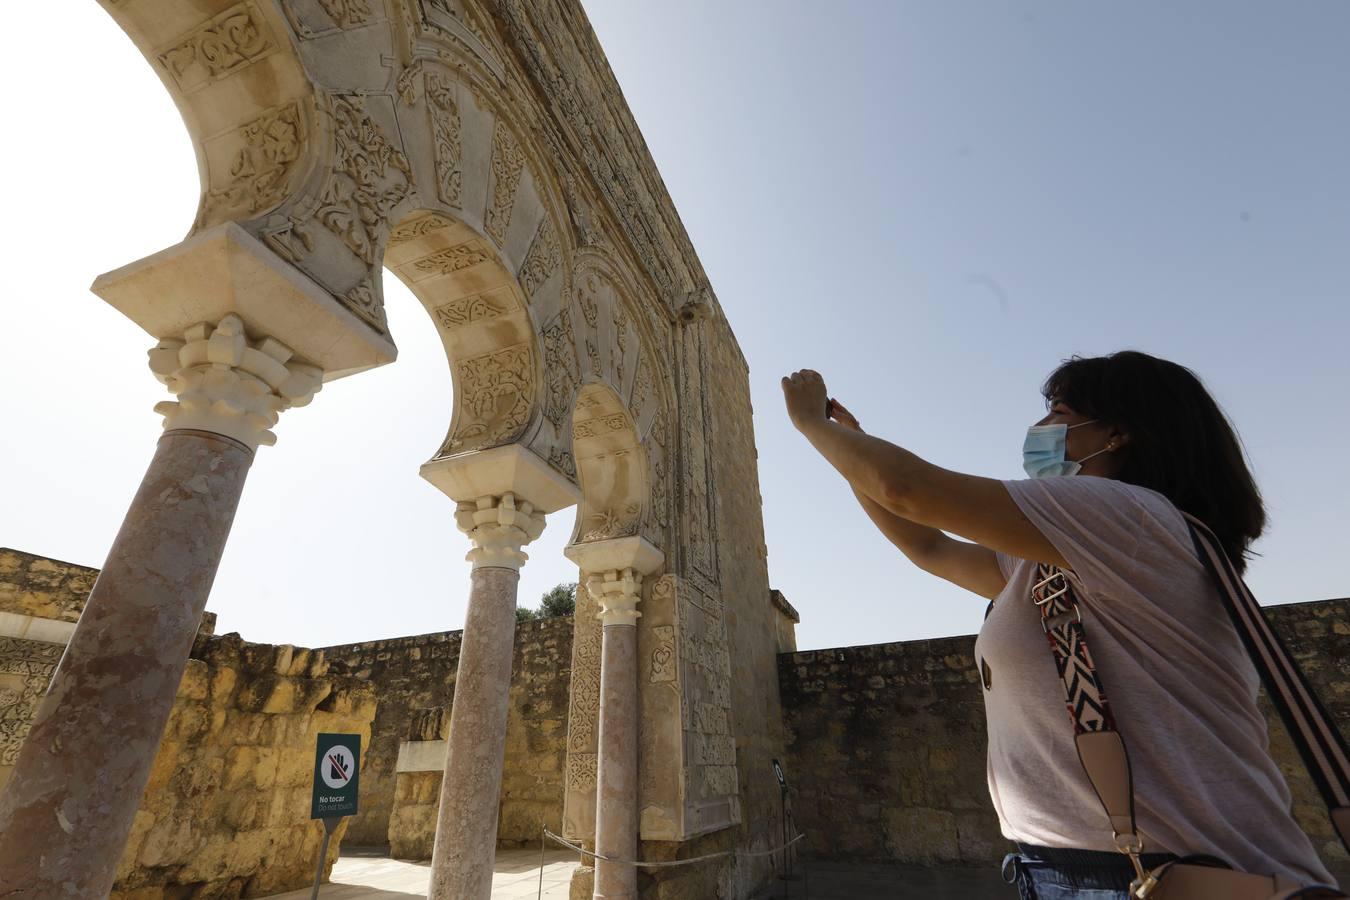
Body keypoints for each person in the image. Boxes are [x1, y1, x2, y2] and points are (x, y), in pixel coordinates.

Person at [781, 351, 1335, 898]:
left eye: (1060, 414)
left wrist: (809, 423)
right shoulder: (1055, 561)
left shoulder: (1125, 515)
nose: (1039, 427)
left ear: (1116, 433)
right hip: (1086, 869)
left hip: (1171, 871)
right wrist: (847, 447)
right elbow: (928, 545)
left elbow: (910, 491)